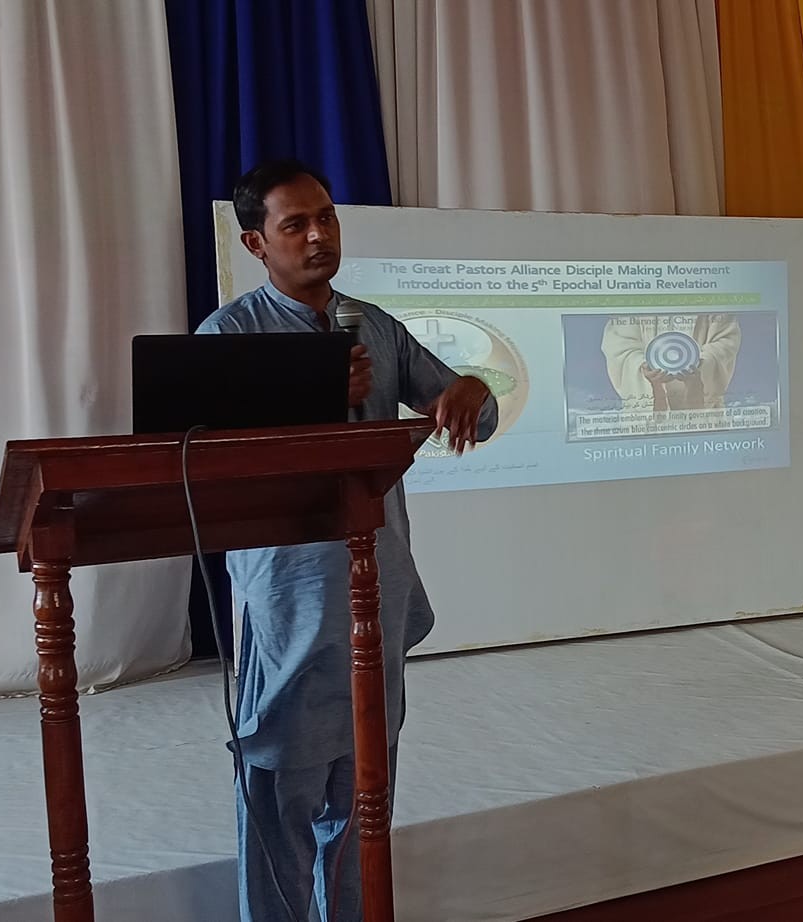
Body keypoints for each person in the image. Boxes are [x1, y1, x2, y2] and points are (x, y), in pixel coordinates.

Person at [198, 159, 498, 922]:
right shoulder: (231, 334)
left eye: (326, 217)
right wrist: (309, 396)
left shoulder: (373, 325)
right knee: (281, 792)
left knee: (365, 797)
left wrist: (473, 390)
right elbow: (203, 457)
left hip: (375, 594)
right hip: (290, 601)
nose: (318, 236)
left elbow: (466, 407)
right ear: (255, 243)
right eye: (295, 224)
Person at [601, 313, 742, 416]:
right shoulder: (632, 294)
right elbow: (619, 346)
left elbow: (725, 342)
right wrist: (645, 370)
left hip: (703, 416)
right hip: (643, 421)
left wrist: (699, 366)